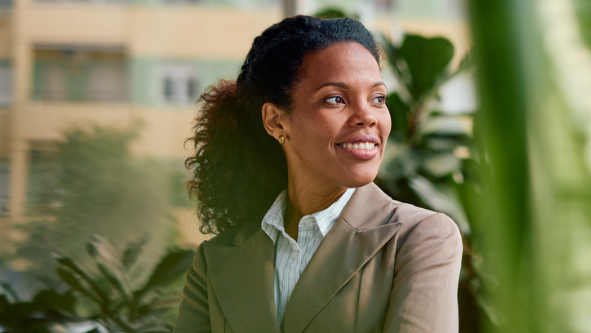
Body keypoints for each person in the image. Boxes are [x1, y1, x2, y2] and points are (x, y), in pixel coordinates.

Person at [173, 15, 463, 333]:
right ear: (275, 121)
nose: (367, 116)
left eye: (378, 98)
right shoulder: (215, 261)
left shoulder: (420, 238)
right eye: (335, 99)